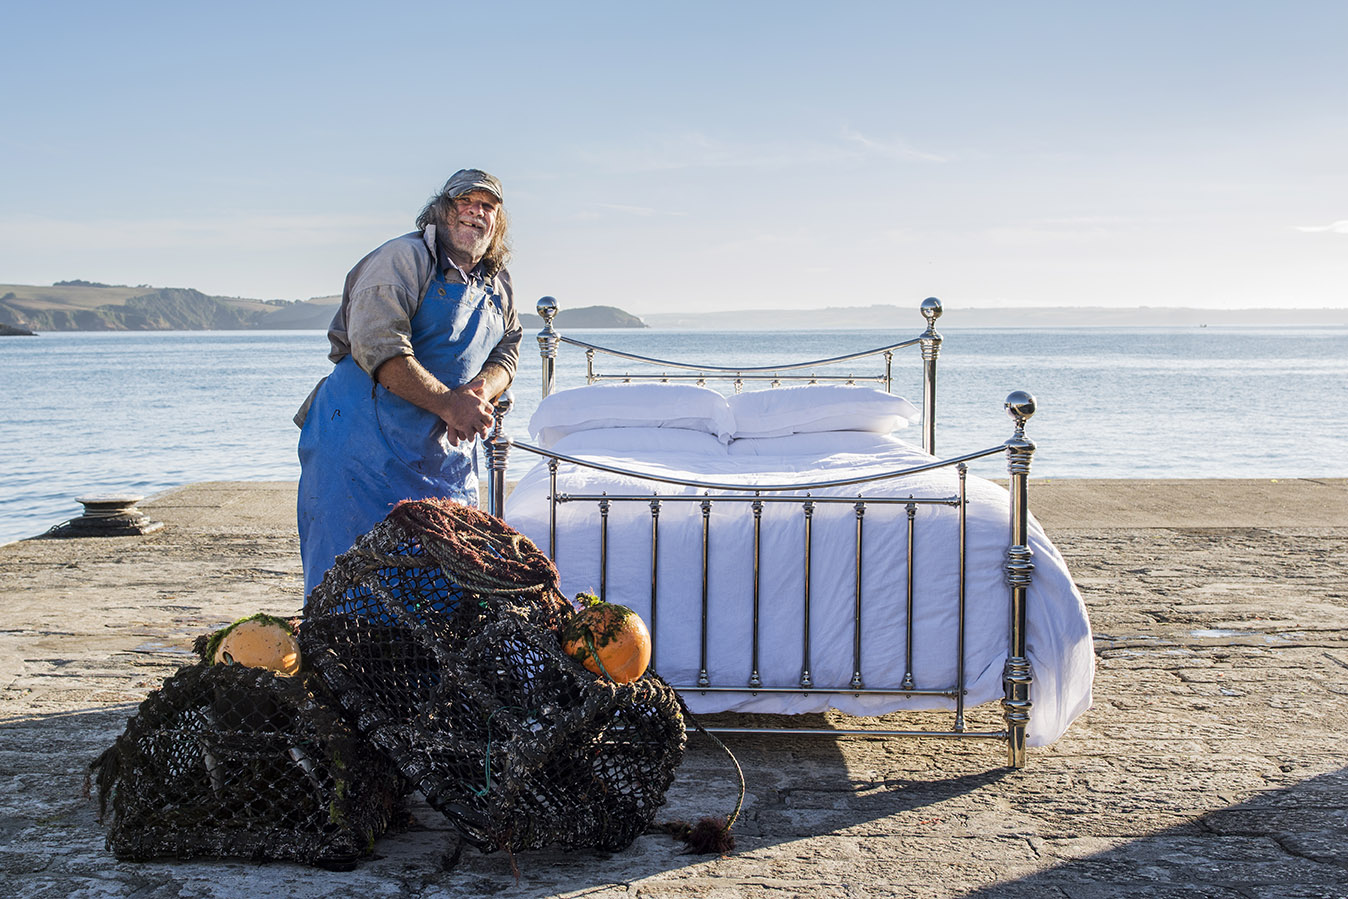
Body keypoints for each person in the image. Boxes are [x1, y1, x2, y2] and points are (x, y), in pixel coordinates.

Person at [294, 169, 521, 598]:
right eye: (464, 202)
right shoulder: (402, 258)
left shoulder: (499, 283)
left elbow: (509, 348)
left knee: (443, 585)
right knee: (351, 583)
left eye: (488, 207)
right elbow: (378, 345)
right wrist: (449, 405)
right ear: (440, 210)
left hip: (443, 457)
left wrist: (478, 394)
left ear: (498, 222)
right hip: (360, 449)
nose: (476, 212)